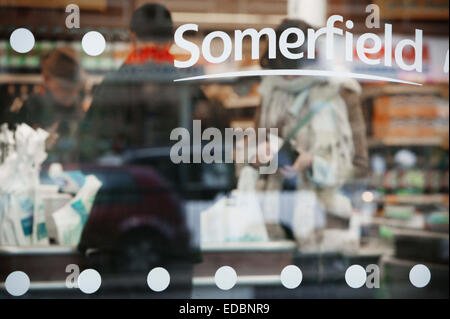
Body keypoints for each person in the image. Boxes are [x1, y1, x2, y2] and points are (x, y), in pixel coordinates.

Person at [252, 19, 367, 250]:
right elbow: (253, 149)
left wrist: (316, 164)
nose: (286, 78)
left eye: (291, 68)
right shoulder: (271, 93)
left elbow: (360, 167)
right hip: (273, 224)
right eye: (280, 69)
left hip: (326, 227)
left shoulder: (340, 94)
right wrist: (255, 157)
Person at [7, 47, 87, 163]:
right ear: (47, 79)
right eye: (65, 89)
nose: (71, 95)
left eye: (73, 90)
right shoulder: (32, 107)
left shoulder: (78, 111)